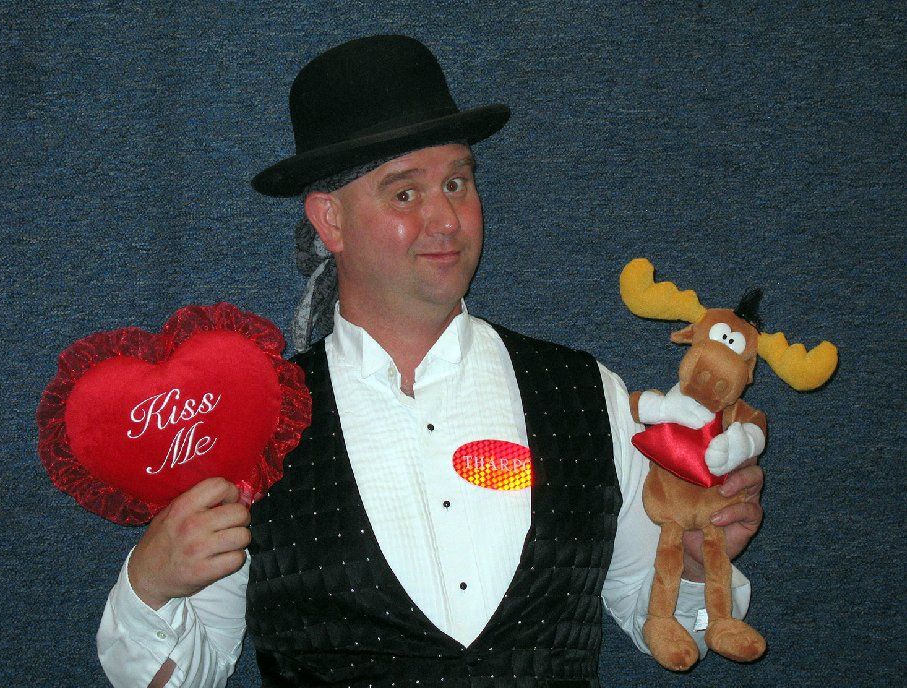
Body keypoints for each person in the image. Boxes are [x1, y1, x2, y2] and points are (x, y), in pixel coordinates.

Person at [97, 35, 764, 687]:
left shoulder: (589, 395)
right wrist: (153, 583)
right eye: (405, 193)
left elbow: (661, 613)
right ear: (329, 221)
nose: (446, 219)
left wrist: (711, 548)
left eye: (456, 182)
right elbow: (179, 677)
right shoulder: (253, 428)